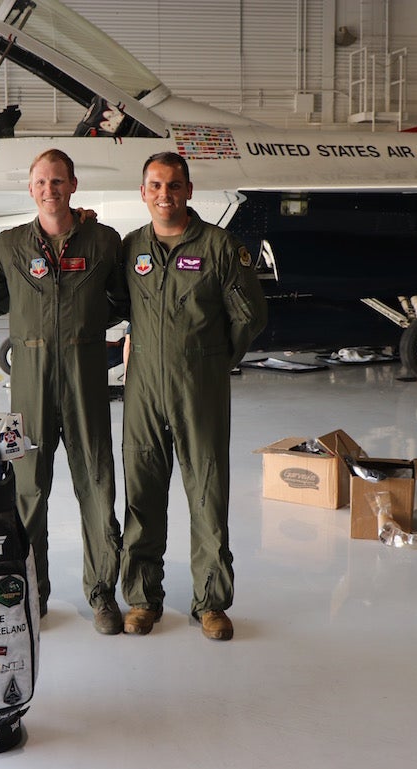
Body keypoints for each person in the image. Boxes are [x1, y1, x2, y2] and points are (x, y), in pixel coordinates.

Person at [118, 151, 268, 641]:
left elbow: (249, 315)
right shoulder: (131, 247)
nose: (166, 195)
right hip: (142, 388)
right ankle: (142, 599)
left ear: (188, 189)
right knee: (141, 493)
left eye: (175, 185)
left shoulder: (220, 246)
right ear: (144, 192)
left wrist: (212, 361)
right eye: (156, 186)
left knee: (207, 492)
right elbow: (116, 303)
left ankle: (211, 603)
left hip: (198, 388)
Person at [0, 149, 128, 634]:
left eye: (59, 181)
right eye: (42, 182)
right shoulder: (8, 246)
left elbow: (122, 298)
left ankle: (102, 593)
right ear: (31, 189)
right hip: (29, 383)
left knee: (97, 484)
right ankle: (31, 591)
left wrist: (85, 327)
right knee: (27, 491)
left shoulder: (104, 241)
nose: (51, 189)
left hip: (86, 377)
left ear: (73, 185)